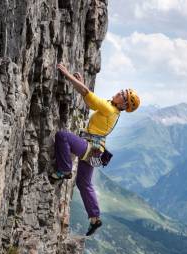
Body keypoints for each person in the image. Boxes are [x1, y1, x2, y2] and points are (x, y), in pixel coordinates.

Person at [51, 63, 140, 236]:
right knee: (83, 183)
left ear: (124, 105)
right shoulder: (112, 109)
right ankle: (95, 218)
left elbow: (86, 93)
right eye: (122, 91)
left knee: (62, 136)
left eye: (124, 95)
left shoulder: (109, 108)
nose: (120, 93)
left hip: (90, 147)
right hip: (96, 151)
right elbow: (91, 102)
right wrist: (82, 81)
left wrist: (67, 74)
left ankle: (64, 170)